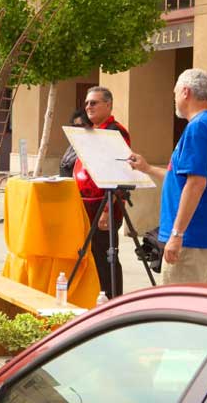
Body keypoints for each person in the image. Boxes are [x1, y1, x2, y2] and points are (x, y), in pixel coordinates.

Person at [129, 69, 207, 285]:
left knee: (181, 310)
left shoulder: (197, 128)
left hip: (193, 239)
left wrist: (177, 234)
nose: (175, 98)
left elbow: (196, 183)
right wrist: (148, 168)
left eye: (175, 92)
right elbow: (181, 177)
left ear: (186, 92)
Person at [73, 86, 130, 299]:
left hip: (104, 205)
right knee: (93, 257)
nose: (88, 106)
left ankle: (113, 300)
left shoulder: (115, 131)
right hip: (85, 204)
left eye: (94, 102)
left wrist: (107, 210)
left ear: (108, 104)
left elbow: (118, 173)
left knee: (107, 256)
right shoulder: (93, 130)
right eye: (87, 103)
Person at [60, 108, 92, 177]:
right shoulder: (72, 146)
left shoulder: (92, 148)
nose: (77, 129)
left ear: (90, 126)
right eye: (74, 126)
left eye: (81, 126)